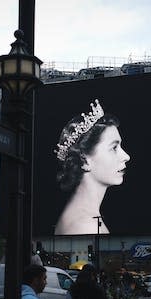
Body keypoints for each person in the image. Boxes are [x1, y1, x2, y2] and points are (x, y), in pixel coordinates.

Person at [54, 99, 130, 235]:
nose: (126, 156)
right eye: (114, 147)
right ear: (84, 160)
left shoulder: (84, 217)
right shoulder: (85, 226)